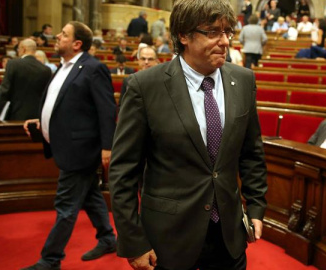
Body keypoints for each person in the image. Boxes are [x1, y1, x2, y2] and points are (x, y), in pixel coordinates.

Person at [109, 1, 268, 269]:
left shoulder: (243, 80)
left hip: (228, 236)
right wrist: (133, 239)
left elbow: (251, 153)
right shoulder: (145, 87)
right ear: (183, 35)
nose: (224, 41)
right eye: (212, 32)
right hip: (169, 238)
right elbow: (123, 171)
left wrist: (255, 207)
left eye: (227, 32)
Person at [21, 21, 117, 270]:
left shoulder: (94, 68)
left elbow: (106, 110)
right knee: (89, 196)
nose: (57, 37)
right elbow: (64, 104)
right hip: (68, 146)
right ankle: (108, 239)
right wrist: (41, 121)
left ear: (77, 44)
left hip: (81, 150)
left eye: (63, 35)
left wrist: (107, 147)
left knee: (65, 206)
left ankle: (50, 259)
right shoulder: (63, 67)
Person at [0, 39, 52, 121]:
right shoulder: (46, 69)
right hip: (38, 115)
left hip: (17, 113)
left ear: (23, 49)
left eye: (18, 49)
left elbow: (5, 90)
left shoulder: (13, 64)